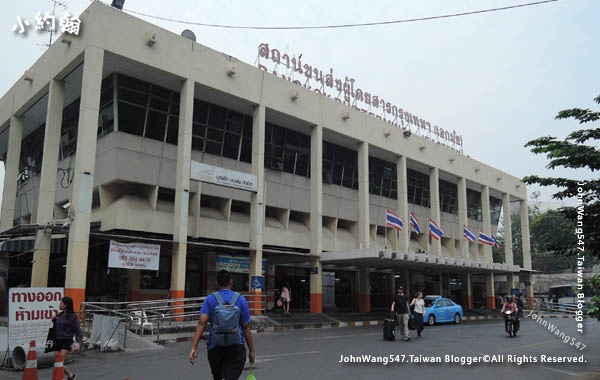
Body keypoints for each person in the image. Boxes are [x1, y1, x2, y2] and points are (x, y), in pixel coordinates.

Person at [189, 270, 255, 380]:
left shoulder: (210, 299)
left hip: (215, 347)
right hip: (236, 347)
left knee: (218, 377)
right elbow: (246, 327)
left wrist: (194, 348)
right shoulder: (240, 299)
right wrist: (252, 351)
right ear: (231, 282)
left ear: (217, 283)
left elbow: (202, 323)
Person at [52, 296, 82, 380]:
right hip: (58, 340)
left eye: (61, 303)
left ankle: (61, 378)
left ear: (66, 305)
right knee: (57, 362)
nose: (59, 305)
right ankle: (71, 376)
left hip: (66, 340)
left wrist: (78, 342)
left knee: (59, 363)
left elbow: (78, 330)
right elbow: (57, 327)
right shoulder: (60, 315)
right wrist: (54, 320)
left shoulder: (72, 317)